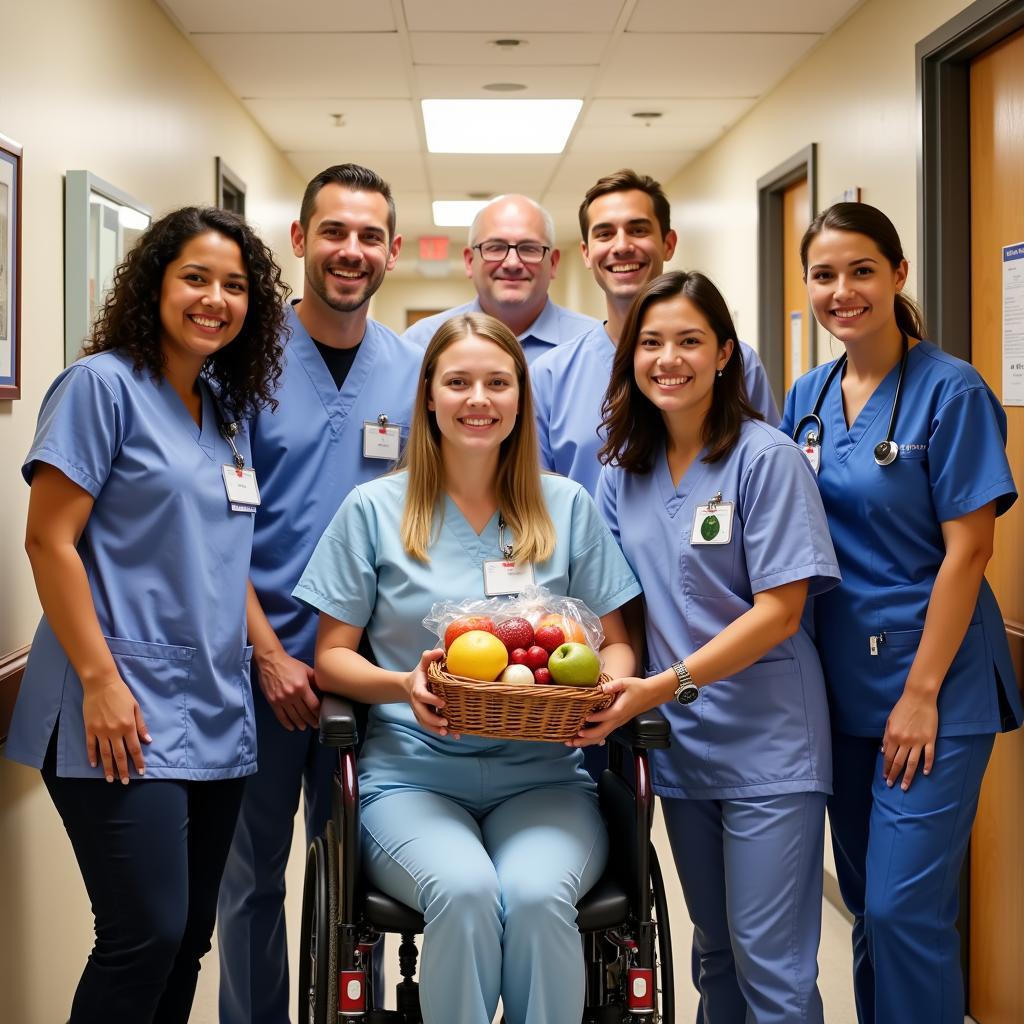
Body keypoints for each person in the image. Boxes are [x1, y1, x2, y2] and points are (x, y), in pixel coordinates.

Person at [292, 312, 641, 1024]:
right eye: (458, 382)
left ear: (520, 398)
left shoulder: (565, 506)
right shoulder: (374, 510)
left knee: (542, 900)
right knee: (467, 892)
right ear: (428, 395)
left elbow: (617, 641)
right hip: (411, 779)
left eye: (496, 383)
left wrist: (611, 683)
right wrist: (399, 685)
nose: (477, 399)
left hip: (543, 778)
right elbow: (329, 658)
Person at [4, 206, 288, 1023]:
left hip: (212, 705)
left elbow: (221, 560)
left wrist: (264, 652)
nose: (215, 299)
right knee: (144, 933)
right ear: (155, 283)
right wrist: (99, 680)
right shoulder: (101, 387)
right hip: (118, 707)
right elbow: (49, 542)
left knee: (190, 932)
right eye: (195, 277)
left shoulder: (223, 408)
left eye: (234, 286)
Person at [780, 202, 1023, 1024]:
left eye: (860, 271)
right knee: (864, 908)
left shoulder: (951, 391)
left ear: (897, 276)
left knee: (901, 910)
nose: (841, 291)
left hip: (937, 689)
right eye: (824, 275)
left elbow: (971, 552)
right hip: (841, 686)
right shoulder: (806, 399)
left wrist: (919, 694)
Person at [587, 271, 841, 1022]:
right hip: (682, 747)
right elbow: (617, 613)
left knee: (772, 962)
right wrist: (618, 681)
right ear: (631, 356)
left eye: (690, 341)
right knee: (716, 951)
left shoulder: (768, 459)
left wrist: (660, 686)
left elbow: (781, 611)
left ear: (725, 354)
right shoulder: (619, 472)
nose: (670, 358)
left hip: (770, 744)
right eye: (652, 342)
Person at [217, 164, 422, 1024]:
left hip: (369, 679)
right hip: (258, 672)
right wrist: (270, 655)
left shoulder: (415, 373)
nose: (351, 250)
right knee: (252, 884)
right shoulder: (239, 366)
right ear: (298, 240)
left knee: (358, 893)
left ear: (392, 251)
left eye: (369, 235)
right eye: (333, 231)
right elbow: (213, 532)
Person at [532, 169, 779, 498]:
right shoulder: (550, 376)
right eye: (604, 234)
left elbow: (769, 475)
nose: (622, 246)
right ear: (586, 253)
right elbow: (538, 500)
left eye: (638, 230)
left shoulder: (738, 363)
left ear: (668, 243)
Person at [401, 194, 597, 365]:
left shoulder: (597, 344)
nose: (512, 263)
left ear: (553, 263)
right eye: (495, 247)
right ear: (470, 261)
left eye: (529, 248)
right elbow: (384, 410)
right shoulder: (421, 344)